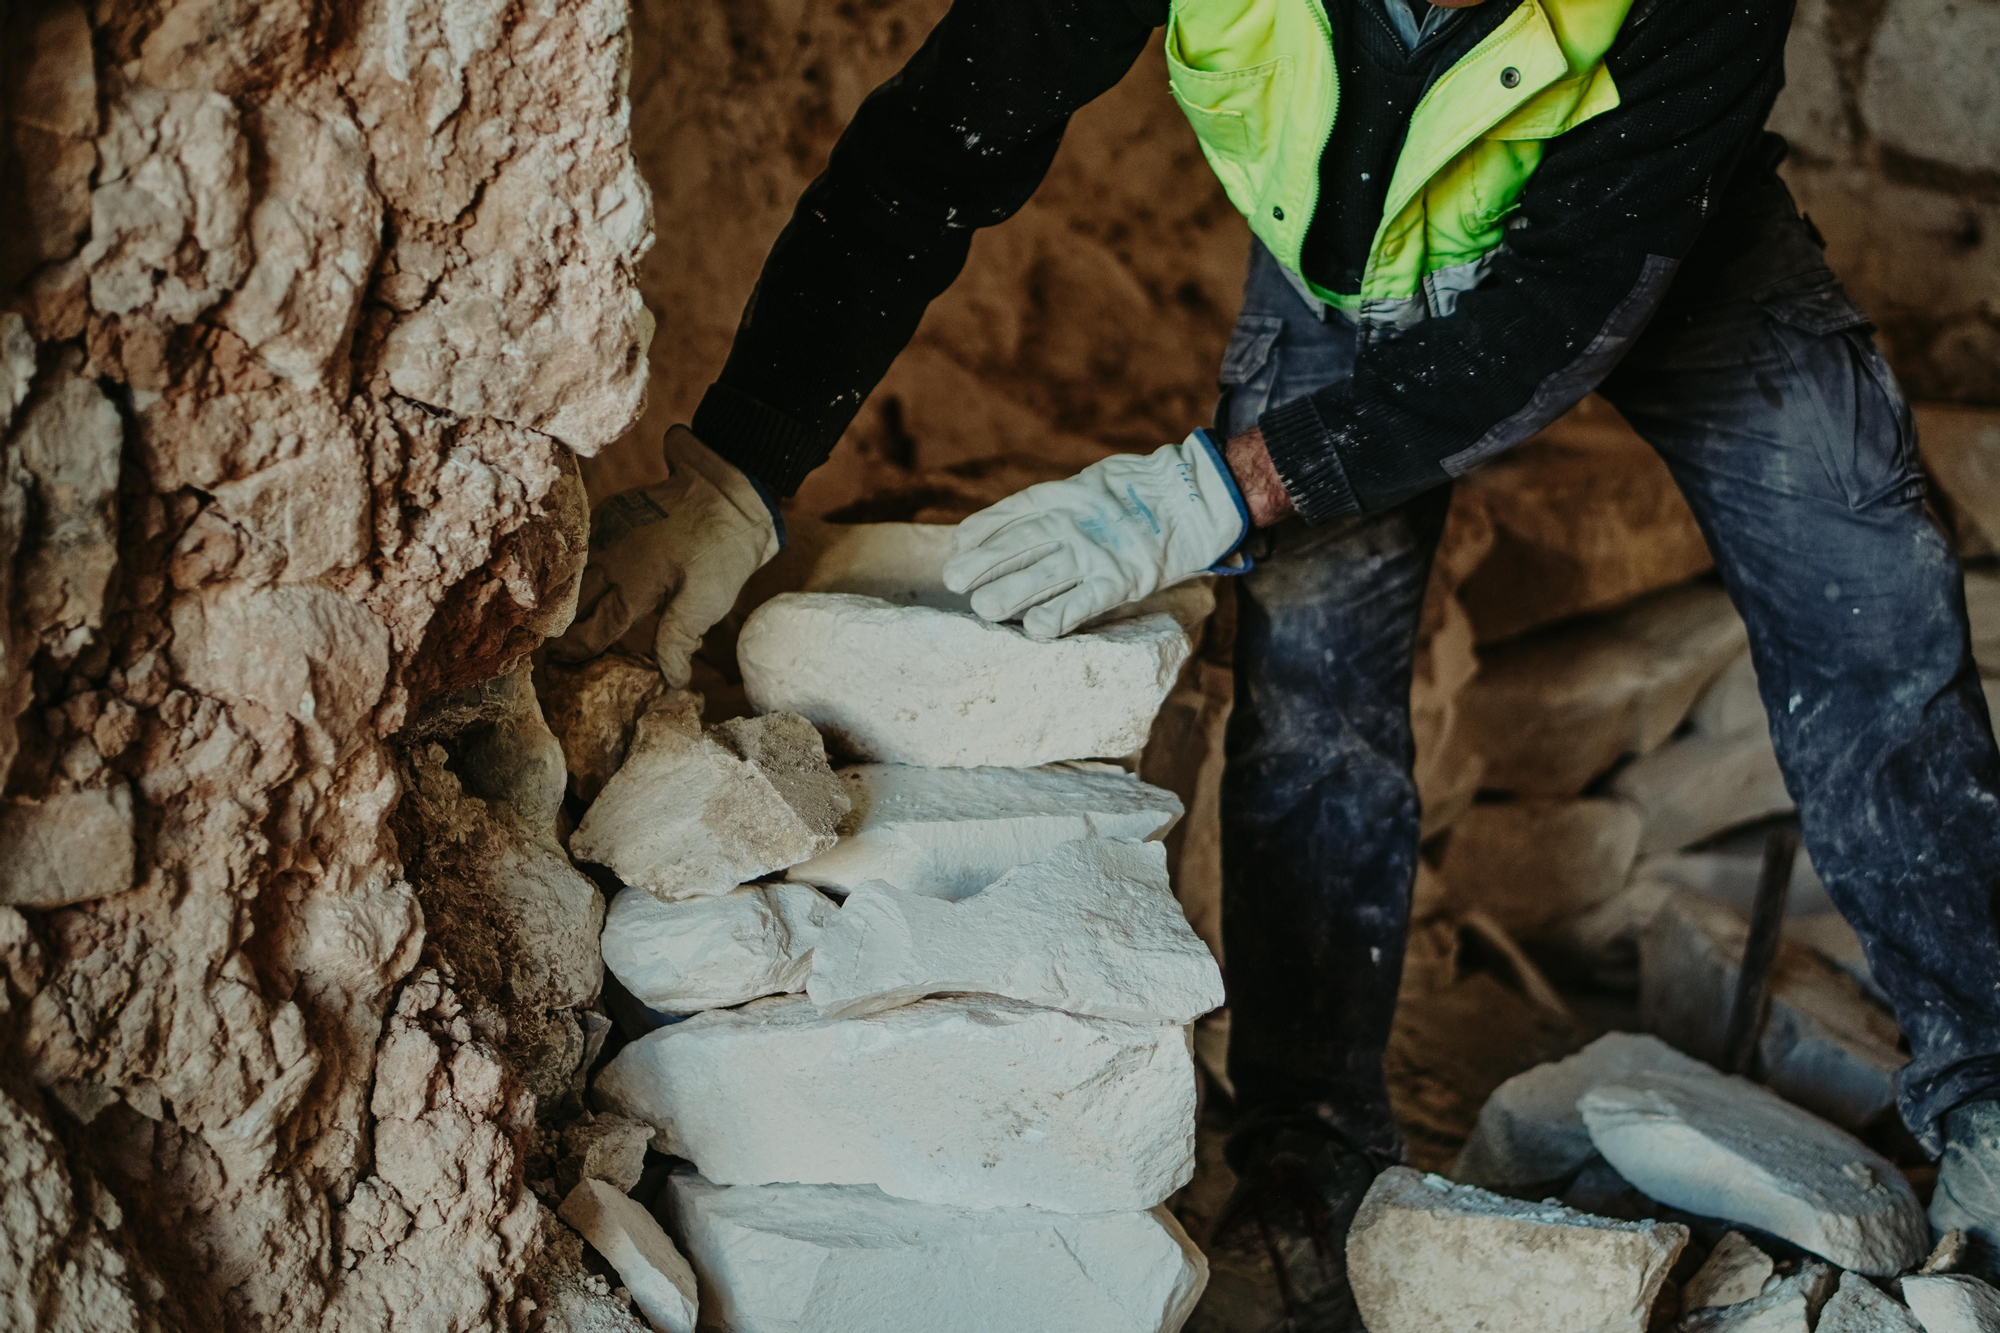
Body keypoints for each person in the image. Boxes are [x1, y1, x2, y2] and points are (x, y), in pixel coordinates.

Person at [553, 0, 2000, 1325]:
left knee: (1870, 600)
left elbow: (1544, 323)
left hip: (1655, 244)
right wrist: (739, 467)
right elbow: (948, 134)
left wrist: (1220, 486)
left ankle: (1987, 1090)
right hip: (1347, 264)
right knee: (1314, 692)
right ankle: (1311, 1155)